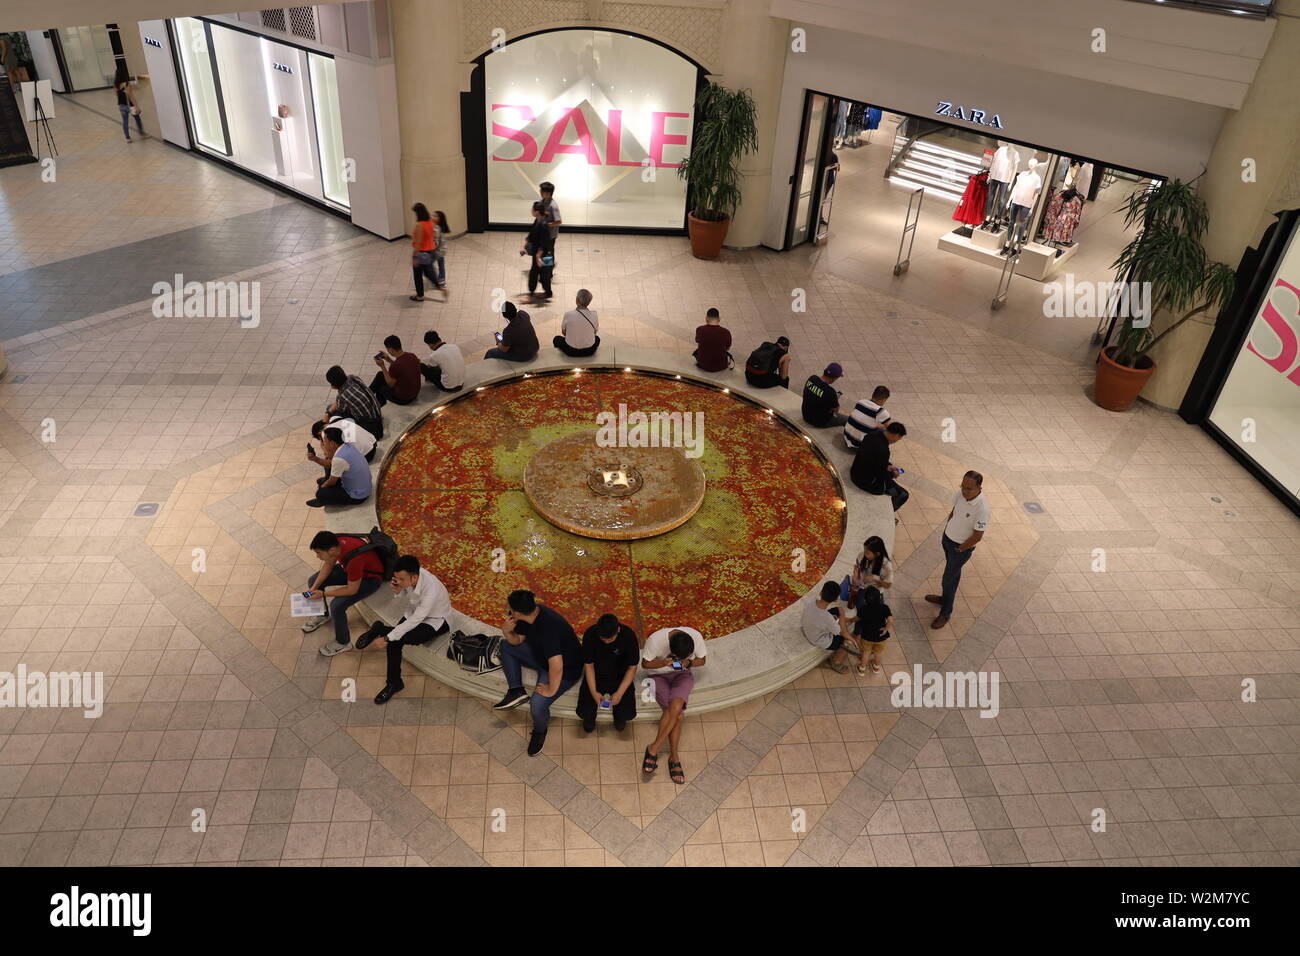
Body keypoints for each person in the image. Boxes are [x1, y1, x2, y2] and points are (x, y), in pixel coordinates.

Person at [492, 590, 583, 756]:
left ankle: (540, 732)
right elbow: (518, 640)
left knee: (538, 704)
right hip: (540, 657)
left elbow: (557, 667)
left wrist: (551, 689)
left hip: (566, 669)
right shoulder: (528, 615)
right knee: (505, 645)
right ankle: (516, 690)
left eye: (510, 608)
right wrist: (506, 631)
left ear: (517, 612)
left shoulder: (549, 628)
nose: (509, 611)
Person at [354, 555, 453, 704]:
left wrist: (387, 637)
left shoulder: (430, 589)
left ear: (414, 578)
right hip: (415, 612)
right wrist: (398, 590)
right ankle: (394, 683)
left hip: (437, 619)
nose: (397, 581)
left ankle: (380, 629)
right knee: (395, 642)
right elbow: (407, 599)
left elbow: (417, 619)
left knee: (407, 638)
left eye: (401, 579)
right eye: (396, 578)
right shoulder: (409, 577)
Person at [300, 531, 385, 656]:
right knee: (313, 580)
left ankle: (343, 643)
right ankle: (322, 615)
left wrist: (323, 594)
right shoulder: (336, 541)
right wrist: (314, 587)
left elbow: (352, 590)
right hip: (352, 572)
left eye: (318, 553)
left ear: (331, 550)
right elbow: (329, 564)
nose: (317, 557)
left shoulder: (355, 560)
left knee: (337, 606)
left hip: (370, 580)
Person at [640, 626, 707, 785]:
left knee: (676, 709)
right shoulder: (655, 640)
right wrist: (662, 663)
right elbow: (645, 665)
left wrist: (689, 663)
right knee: (679, 715)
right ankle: (674, 756)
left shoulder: (696, 637)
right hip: (658, 677)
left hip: (682, 675)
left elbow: (702, 660)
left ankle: (654, 748)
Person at [926, 470, 991, 630]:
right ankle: (944, 598)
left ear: (979, 489)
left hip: (960, 548)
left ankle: (946, 612)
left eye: (969, 489)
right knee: (952, 575)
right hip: (948, 539)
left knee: (948, 579)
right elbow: (955, 510)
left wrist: (960, 549)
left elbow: (977, 536)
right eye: (963, 486)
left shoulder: (983, 509)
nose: (964, 491)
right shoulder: (961, 494)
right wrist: (948, 527)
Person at [574, 613, 638, 733]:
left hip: (620, 675)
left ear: (618, 630)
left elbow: (632, 668)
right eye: (603, 639)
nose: (606, 642)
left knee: (628, 714)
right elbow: (589, 665)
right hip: (597, 675)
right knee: (583, 711)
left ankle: (619, 717)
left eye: (610, 639)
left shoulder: (628, 636)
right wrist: (593, 692)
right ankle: (590, 718)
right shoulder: (590, 634)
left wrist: (619, 693)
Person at [849, 421, 909, 512]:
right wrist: (892, 474)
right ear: (896, 435)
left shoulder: (872, 435)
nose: (896, 441)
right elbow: (881, 474)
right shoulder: (883, 450)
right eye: (898, 439)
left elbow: (874, 460)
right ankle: (889, 515)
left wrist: (888, 466)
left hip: (855, 471)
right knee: (903, 494)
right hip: (865, 481)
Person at [305, 427, 371, 508]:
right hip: (364, 488)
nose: (323, 443)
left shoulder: (339, 459)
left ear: (332, 443)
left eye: (324, 441)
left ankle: (321, 500)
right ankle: (325, 484)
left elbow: (332, 481)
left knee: (321, 494)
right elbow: (330, 462)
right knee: (329, 466)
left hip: (358, 496)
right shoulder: (347, 446)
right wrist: (315, 459)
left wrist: (322, 488)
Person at [802, 581, 859, 675]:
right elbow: (842, 632)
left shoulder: (811, 600)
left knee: (839, 610)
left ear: (821, 592)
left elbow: (826, 617)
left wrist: (840, 617)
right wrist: (851, 638)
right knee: (846, 641)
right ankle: (836, 663)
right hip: (819, 640)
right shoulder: (827, 618)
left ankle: (845, 620)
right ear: (836, 599)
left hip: (811, 627)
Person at [325, 365, 383, 439]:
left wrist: (328, 413)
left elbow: (339, 409)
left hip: (369, 423)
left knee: (333, 413)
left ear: (334, 385)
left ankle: (349, 437)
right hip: (377, 412)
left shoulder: (343, 395)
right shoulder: (353, 378)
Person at [369, 335, 422, 406]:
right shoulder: (412, 356)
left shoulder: (395, 366)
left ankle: (378, 404)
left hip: (404, 398)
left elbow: (391, 384)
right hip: (415, 393)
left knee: (380, 387)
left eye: (387, 349)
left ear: (390, 349)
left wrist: (382, 366)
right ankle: (368, 393)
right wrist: (389, 360)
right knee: (380, 375)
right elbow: (402, 368)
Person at [841, 535, 893, 607]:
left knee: (868, 609)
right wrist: (856, 574)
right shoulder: (862, 555)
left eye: (867, 553)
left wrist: (875, 578)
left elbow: (888, 585)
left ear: (877, 554)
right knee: (843, 595)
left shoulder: (886, 567)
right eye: (864, 551)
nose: (865, 555)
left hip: (874, 590)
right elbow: (857, 564)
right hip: (861, 585)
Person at [852, 586, 893, 675]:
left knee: (866, 653)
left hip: (867, 637)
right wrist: (886, 629)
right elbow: (890, 620)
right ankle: (876, 668)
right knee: (878, 653)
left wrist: (850, 620)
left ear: (865, 600)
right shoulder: (884, 607)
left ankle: (862, 669)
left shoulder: (863, 609)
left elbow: (857, 618)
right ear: (880, 598)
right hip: (881, 636)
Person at [409, 203, 443, 302]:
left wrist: (415, 257)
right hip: (431, 250)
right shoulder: (430, 222)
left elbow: (419, 243)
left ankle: (420, 296)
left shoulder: (420, 225)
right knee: (429, 272)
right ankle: (441, 288)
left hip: (422, 252)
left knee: (418, 275)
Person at [522, 201, 554, 302]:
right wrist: (524, 246)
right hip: (538, 254)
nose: (531, 211)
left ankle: (546, 293)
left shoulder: (544, 224)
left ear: (537, 212)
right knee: (535, 274)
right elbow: (531, 235)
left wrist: (538, 257)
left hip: (543, 255)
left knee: (544, 276)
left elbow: (544, 243)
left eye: (532, 209)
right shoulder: (538, 220)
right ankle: (535, 293)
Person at [311, 415, 375, 463]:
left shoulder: (325, 433)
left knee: (335, 461)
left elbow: (329, 456)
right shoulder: (335, 418)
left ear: (319, 434)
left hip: (366, 456)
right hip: (373, 443)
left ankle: (329, 479)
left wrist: (322, 446)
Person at [554, 288, 599, 357]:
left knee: (556, 339)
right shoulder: (594, 315)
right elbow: (594, 332)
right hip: (590, 350)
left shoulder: (568, 314)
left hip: (571, 351)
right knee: (597, 338)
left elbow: (564, 332)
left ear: (577, 300)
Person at [801, 363, 847, 427]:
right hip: (819, 422)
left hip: (805, 414)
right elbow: (836, 410)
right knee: (847, 420)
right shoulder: (830, 392)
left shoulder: (812, 378)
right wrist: (835, 399)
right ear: (835, 378)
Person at [693, 308, 732, 372]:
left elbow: (697, 340)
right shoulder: (726, 332)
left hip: (703, 364)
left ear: (706, 318)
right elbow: (728, 347)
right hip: (721, 365)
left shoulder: (700, 329)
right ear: (719, 319)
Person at [113, 71, 145, 143]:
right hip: (130, 106)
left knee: (125, 122)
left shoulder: (115, 85)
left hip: (121, 105)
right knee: (137, 119)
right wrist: (137, 107)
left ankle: (127, 138)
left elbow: (117, 95)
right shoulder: (127, 84)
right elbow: (131, 96)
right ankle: (141, 133)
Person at [432, 210, 450, 291]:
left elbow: (435, 241)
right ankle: (442, 281)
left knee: (428, 264)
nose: (432, 217)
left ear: (440, 219)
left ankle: (439, 280)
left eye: (435, 216)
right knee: (441, 266)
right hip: (441, 250)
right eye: (432, 215)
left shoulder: (436, 228)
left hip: (438, 251)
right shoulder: (439, 227)